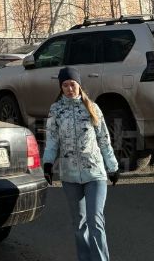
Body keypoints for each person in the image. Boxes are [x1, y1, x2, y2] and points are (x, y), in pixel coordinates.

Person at [42, 66, 119, 261]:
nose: (69, 89)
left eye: (72, 84)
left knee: (95, 222)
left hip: (95, 174)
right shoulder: (56, 110)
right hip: (70, 176)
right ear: (61, 87)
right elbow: (52, 140)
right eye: (65, 85)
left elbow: (104, 139)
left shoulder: (92, 107)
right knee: (79, 224)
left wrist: (112, 166)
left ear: (79, 85)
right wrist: (48, 163)